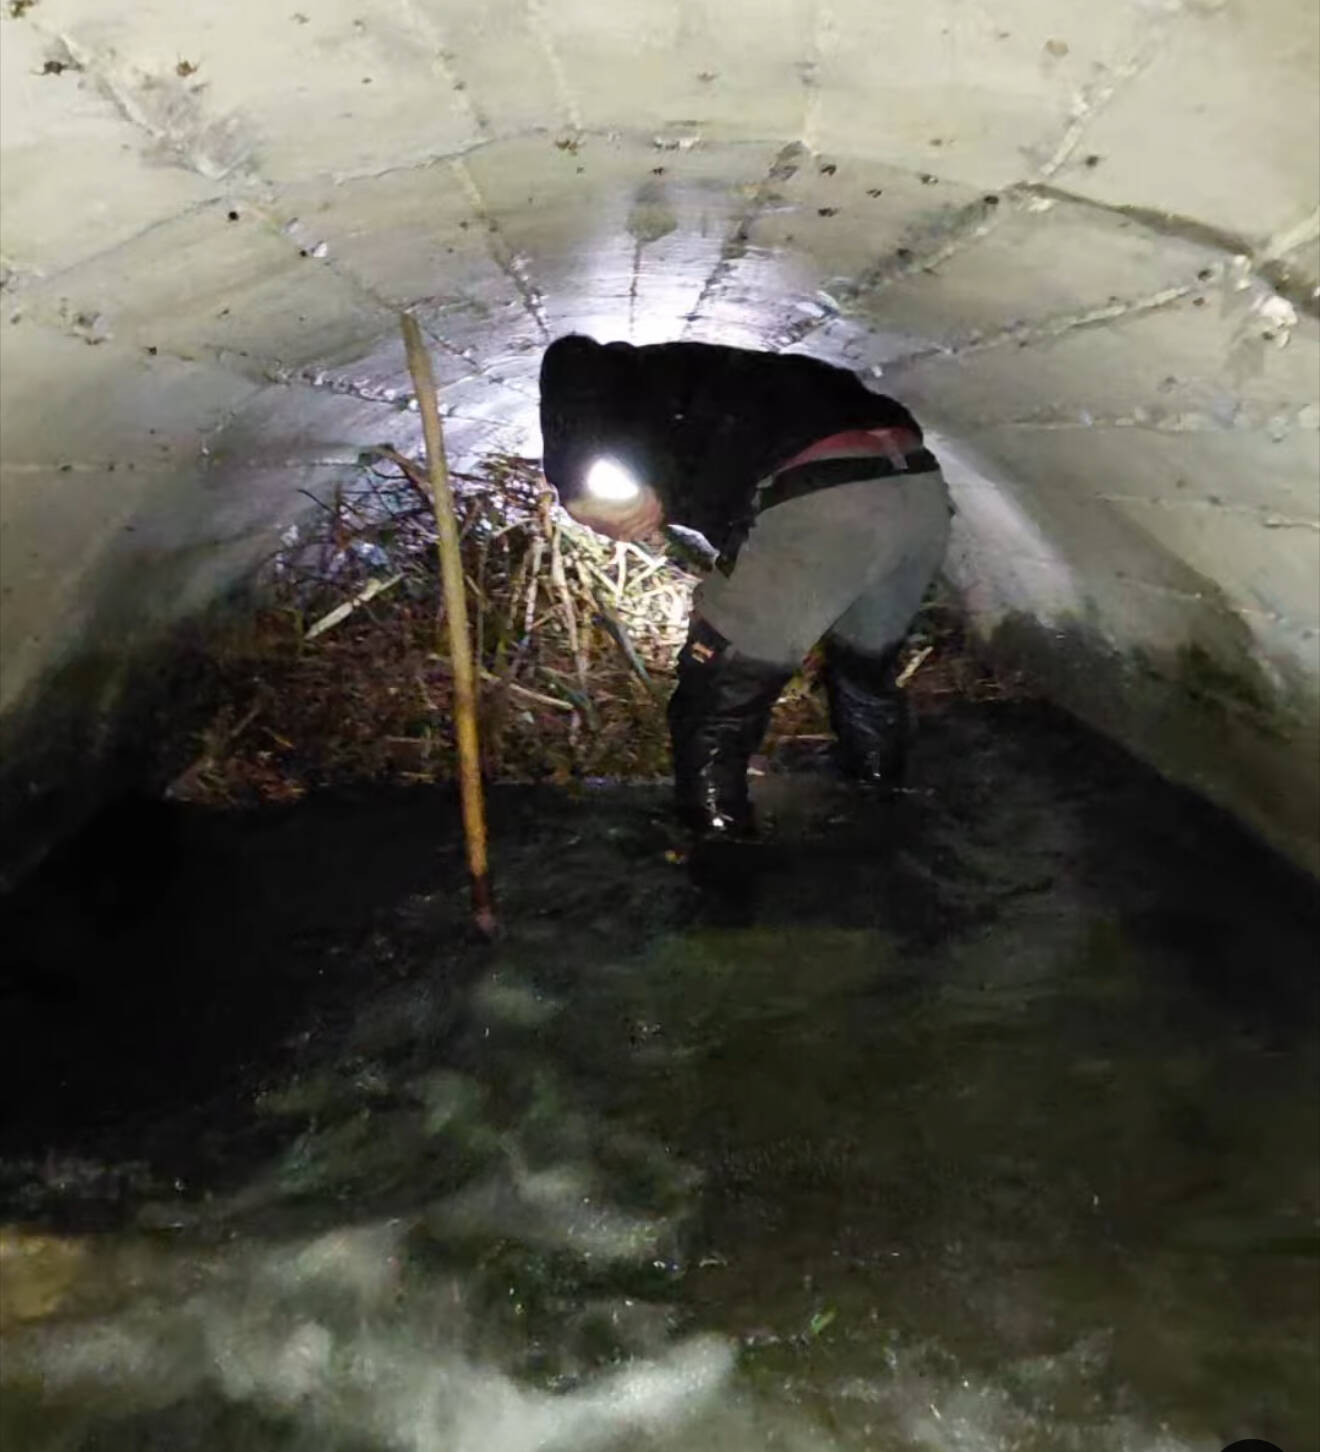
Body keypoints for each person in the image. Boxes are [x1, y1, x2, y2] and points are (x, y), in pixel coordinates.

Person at [539, 334, 952, 839]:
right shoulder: (746, 382)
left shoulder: (632, 377)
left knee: (714, 706)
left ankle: (721, 859)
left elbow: (570, 357)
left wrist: (576, 484)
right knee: (864, 680)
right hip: (919, 493)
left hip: (822, 500)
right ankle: (882, 818)